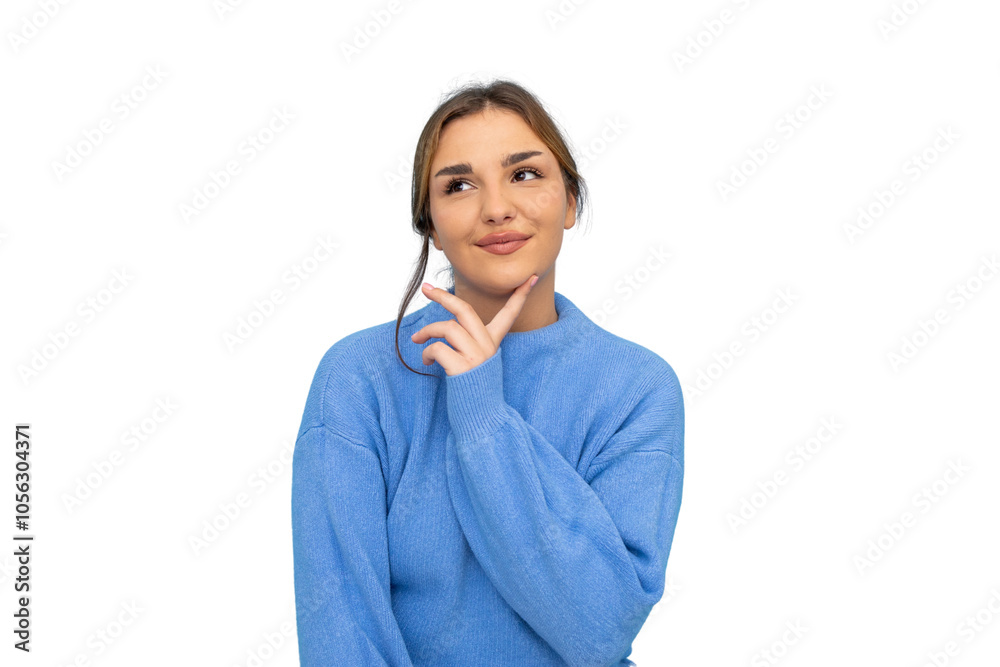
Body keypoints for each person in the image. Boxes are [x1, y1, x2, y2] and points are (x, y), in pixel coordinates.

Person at [291, 78, 684, 666]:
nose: (497, 208)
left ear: (570, 202)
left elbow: (602, 630)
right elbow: (341, 628)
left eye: (524, 174)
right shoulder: (358, 379)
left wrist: (481, 411)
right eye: (459, 185)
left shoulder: (637, 388)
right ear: (430, 224)